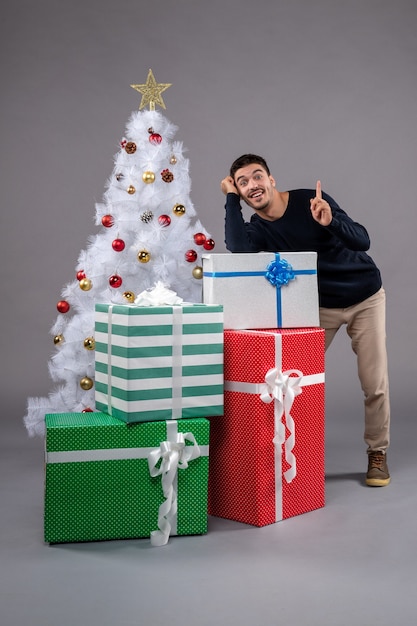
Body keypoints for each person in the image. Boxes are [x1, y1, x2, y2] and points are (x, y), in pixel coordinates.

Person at [221, 154, 390, 487]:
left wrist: (331, 222)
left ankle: (377, 452)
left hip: (365, 297)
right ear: (241, 193)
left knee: (375, 385)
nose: (252, 185)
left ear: (271, 179)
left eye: (257, 177)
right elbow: (238, 249)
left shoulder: (310, 201)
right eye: (243, 183)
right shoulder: (258, 230)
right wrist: (229, 198)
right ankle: (289, 455)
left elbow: (362, 240)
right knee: (290, 383)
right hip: (319, 308)